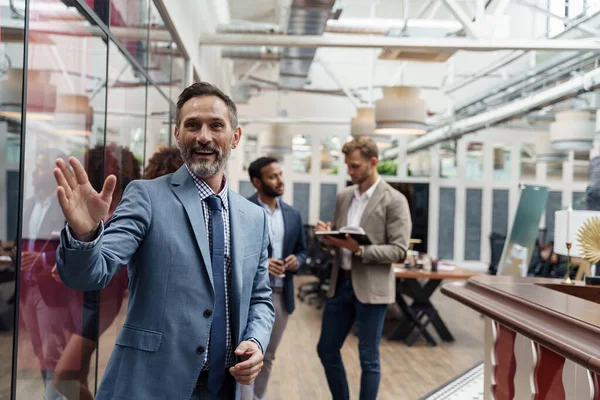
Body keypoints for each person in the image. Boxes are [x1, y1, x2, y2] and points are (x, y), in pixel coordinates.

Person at [53, 82, 275, 400]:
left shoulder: (254, 218)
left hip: (228, 388)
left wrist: (255, 341)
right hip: (152, 386)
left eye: (216, 125)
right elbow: (89, 274)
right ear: (177, 134)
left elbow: (261, 299)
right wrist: (85, 234)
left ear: (235, 137)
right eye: (192, 125)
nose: (203, 136)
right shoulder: (147, 197)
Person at [315, 135, 412, 400]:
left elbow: (399, 251)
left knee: (368, 359)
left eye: (355, 166)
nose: (350, 171)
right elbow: (337, 244)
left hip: (372, 288)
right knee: (326, 349)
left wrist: (359, 250)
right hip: (340, 283)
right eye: (348, 166)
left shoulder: (394, 200)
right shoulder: (344, 196)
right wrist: (326, 237)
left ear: (373, 162)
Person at [51, 143, 141, 400]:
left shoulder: (128, 204)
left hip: (102, 297)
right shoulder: (93, 200)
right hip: (83, 294)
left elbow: (118, 256)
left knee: (63, 377)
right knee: (77, 371)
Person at [241, 157, 307, 400]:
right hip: (248, 297)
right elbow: (233, 253)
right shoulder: (243, 210)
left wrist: (297, 261)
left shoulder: (293, 214)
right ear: (257, 182)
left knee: (268, 355)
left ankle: (259, 397)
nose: (280, 181)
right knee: (247, 354)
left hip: (280, 295)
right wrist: (261, 264)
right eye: (273, 176)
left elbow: (303, 251)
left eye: (280, 174)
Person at [19, 149, 72, 400]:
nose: (33, 172)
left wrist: (42, 259)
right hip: (26, 288)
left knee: (53, 352)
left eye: (39, 168)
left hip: (51, 288)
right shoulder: (29, 204)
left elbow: (75, 248)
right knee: (40, 351)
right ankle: (50, 395)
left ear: (53, 173)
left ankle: (55, 397)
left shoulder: (66, 206)